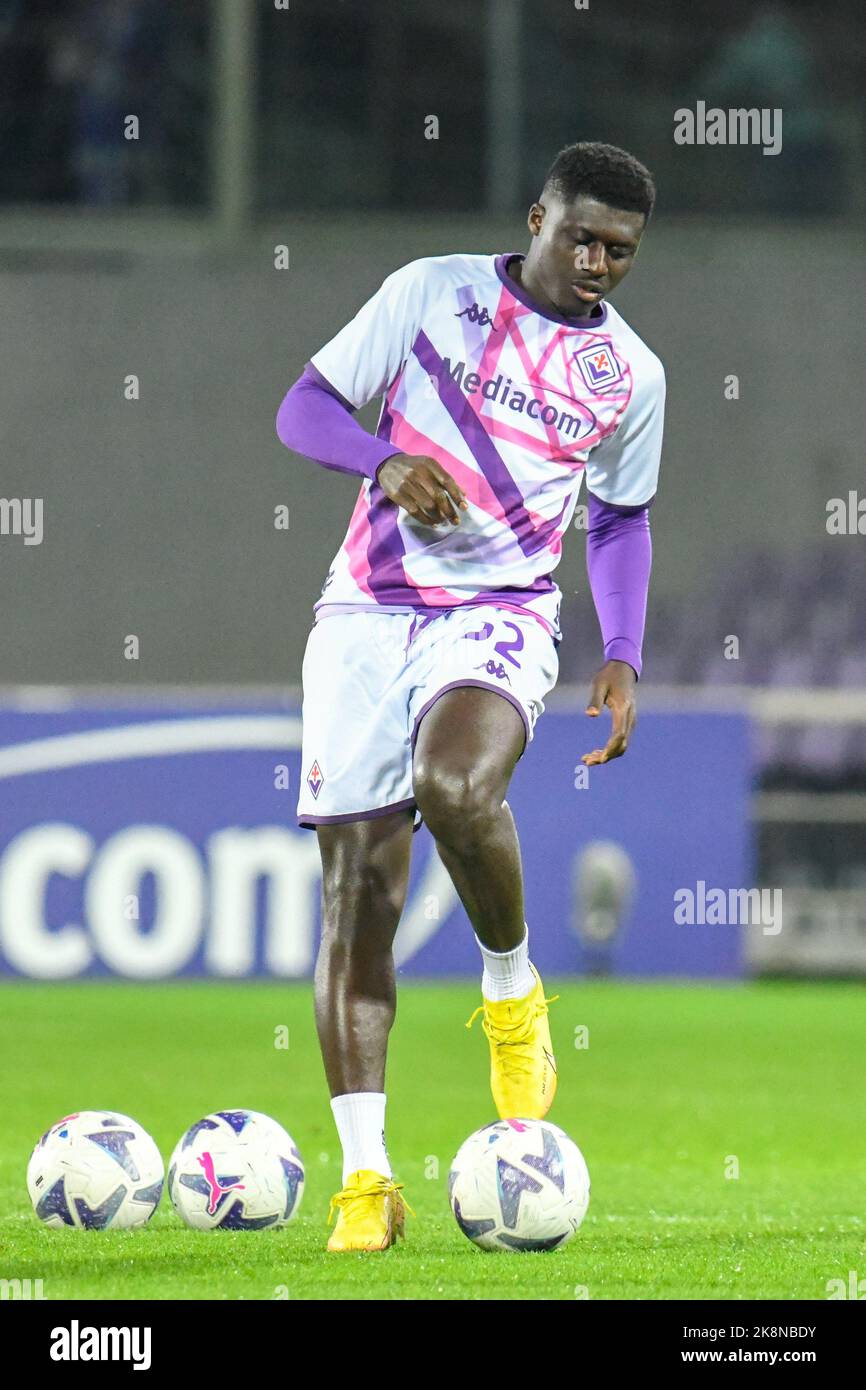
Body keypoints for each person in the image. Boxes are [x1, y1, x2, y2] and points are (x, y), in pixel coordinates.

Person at [276, 141, 665, 1251]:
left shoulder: (629, 376)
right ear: (534, 215)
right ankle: (365, 1181)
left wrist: (623, 649)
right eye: (580, 235)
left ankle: (510, 983)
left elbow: (623, 518)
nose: (596, 261)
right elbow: (301, 407)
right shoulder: (427, 292)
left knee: (455, 785)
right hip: (362, 612)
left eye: (620, 251)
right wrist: (381, 461)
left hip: (498, 611)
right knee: (358, 894)